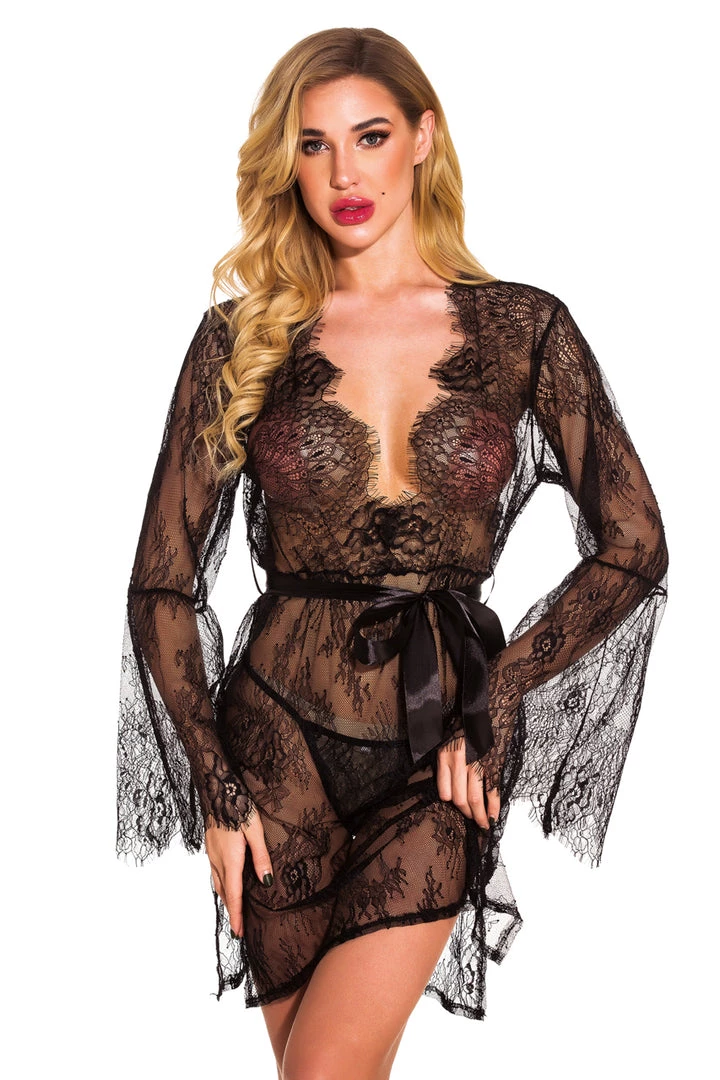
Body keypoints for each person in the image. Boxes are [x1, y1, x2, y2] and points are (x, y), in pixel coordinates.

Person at [116, 25, 669, 1080]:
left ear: (424, 137)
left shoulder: (524, 330)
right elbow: (161, 584)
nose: (344, 174)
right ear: (287, 164)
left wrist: (503, 691)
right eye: (313, 145)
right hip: (274, 736)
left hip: (439, 741)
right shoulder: (242, 337)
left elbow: (635, 542)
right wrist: (215, 787)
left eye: (369, 136)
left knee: (324, 1071)